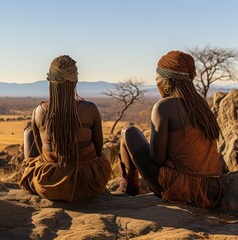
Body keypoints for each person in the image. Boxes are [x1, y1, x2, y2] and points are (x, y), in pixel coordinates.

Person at [119, 50, 225, 208]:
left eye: (157, 79)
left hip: (182, 188)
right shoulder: (201, 103)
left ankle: (129, 187)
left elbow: (157, 159)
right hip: (211, 189)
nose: (156, 84)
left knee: (128, 131)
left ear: (167, 80)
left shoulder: (164, 106)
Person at [19, 55, 111, 203]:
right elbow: (99, 150)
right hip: (87, 184)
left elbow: (38, 150)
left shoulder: (39, 111)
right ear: (75, 80)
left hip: (49, 185)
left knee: (29, 132)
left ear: (50, 81)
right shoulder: (90, 109)